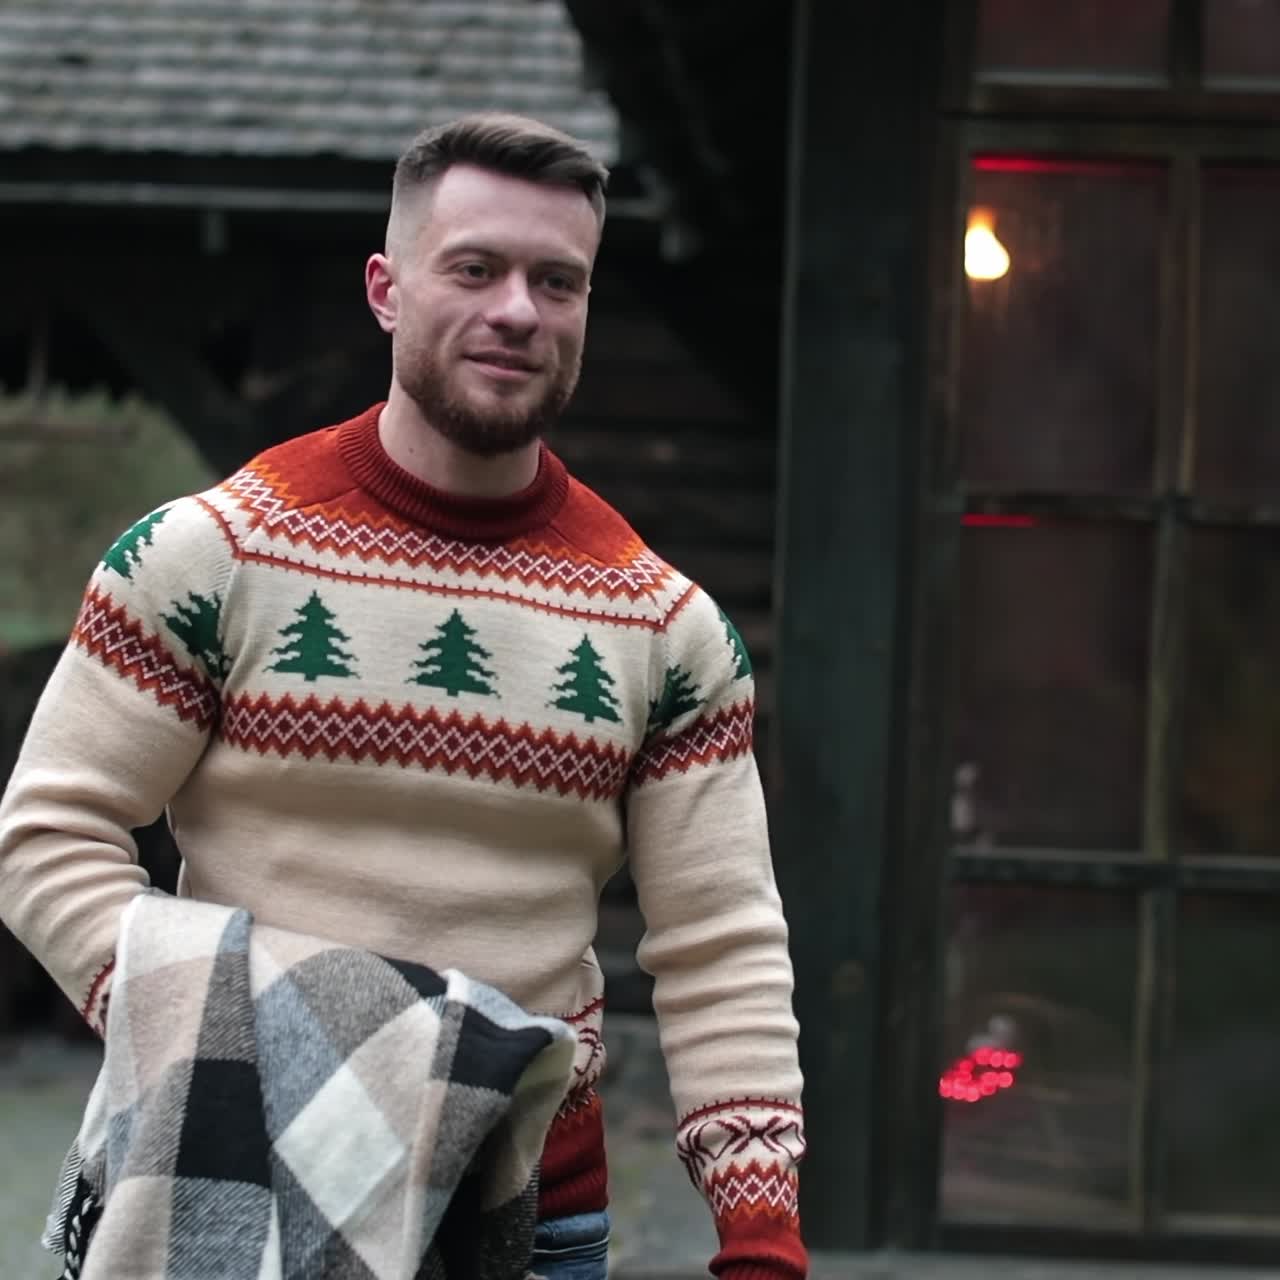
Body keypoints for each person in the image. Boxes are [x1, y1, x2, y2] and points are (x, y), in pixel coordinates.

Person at [0, 113, 806, 1279]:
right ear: (386, 288)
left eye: (556, 280)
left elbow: (719, 941)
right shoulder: (208, 555)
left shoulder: (665, 631)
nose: (518, 309)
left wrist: (759, 1231)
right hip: (234, 1168)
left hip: (524, 1215)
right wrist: (197, 1028)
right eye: (474, 268)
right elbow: (45, 829)